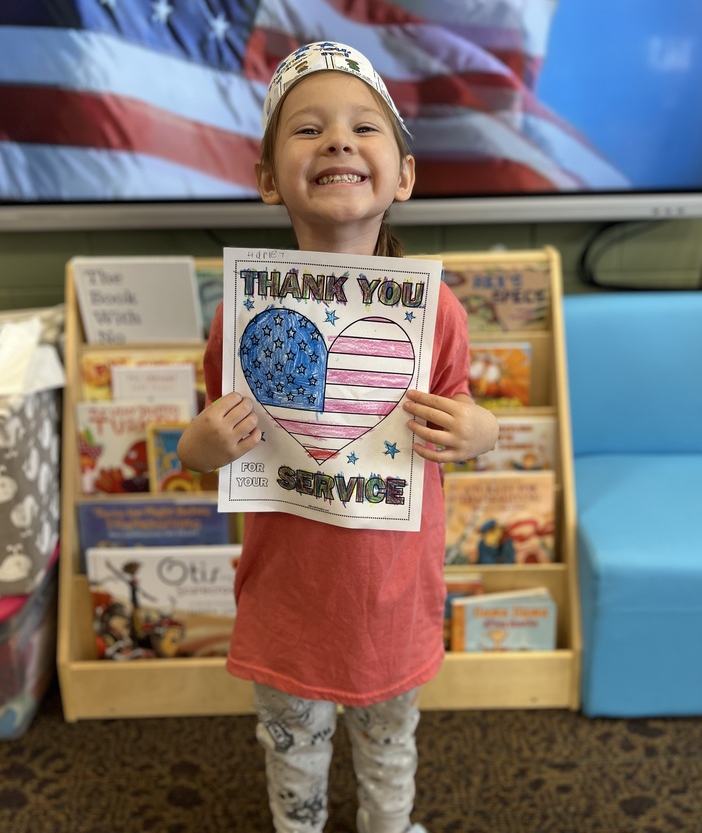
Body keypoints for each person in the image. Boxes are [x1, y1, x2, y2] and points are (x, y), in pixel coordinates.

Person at [178, 41, 499, 833]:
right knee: (292, 752)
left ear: (405, 174)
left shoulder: (439, 313)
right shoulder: (240, 317)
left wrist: (477, 430)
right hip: (290, 602)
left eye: (364, 127)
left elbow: (472, 419)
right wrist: (204, 447)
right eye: (307, 129)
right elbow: (197, 449)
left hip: (393, 596)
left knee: (391, 747)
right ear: (266, 179)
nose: (338, 142)